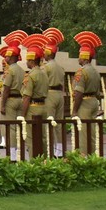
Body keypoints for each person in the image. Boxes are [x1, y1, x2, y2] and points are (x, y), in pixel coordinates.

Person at [71, 31, 103, 154]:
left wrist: (74, 110)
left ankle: (84, 157)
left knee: (83, 132)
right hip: (94, 101)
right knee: (92, 131)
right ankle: (92, 153)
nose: (78, 58)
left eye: (79, 55)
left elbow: (78, 93)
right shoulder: (95, 71)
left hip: (84, 103)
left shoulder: (81, 72)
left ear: (84, 57)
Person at [0, 30, 26, 161]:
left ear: (12, 57)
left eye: (7, 56)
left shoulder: (10, 71)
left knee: (10, 128)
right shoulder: (22, 70)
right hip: (20, 98)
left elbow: (6, 89)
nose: (5, 58)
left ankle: (13, 156)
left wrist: (2, 104)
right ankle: (20, 153)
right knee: (19, 127)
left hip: (10, 100)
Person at [20, 35, 50, 159]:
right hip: (43, 106)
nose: (26, 62)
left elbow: (27, 97)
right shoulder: (44, 74)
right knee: (42, 137)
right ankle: (44, 160)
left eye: (27, 60)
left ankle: (34, 162)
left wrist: (22, 114)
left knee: (31, 138)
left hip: (32, 108)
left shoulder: (30, 76)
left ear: (32, 61)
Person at [42, 27, 66, 157]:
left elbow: (43, 82)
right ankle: (59, 149)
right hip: (60, 95)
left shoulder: (46, 67)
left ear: (49, 53)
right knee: (59, 122)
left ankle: (50, 148)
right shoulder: (60, 67)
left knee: (50, 121)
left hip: (50, 94)